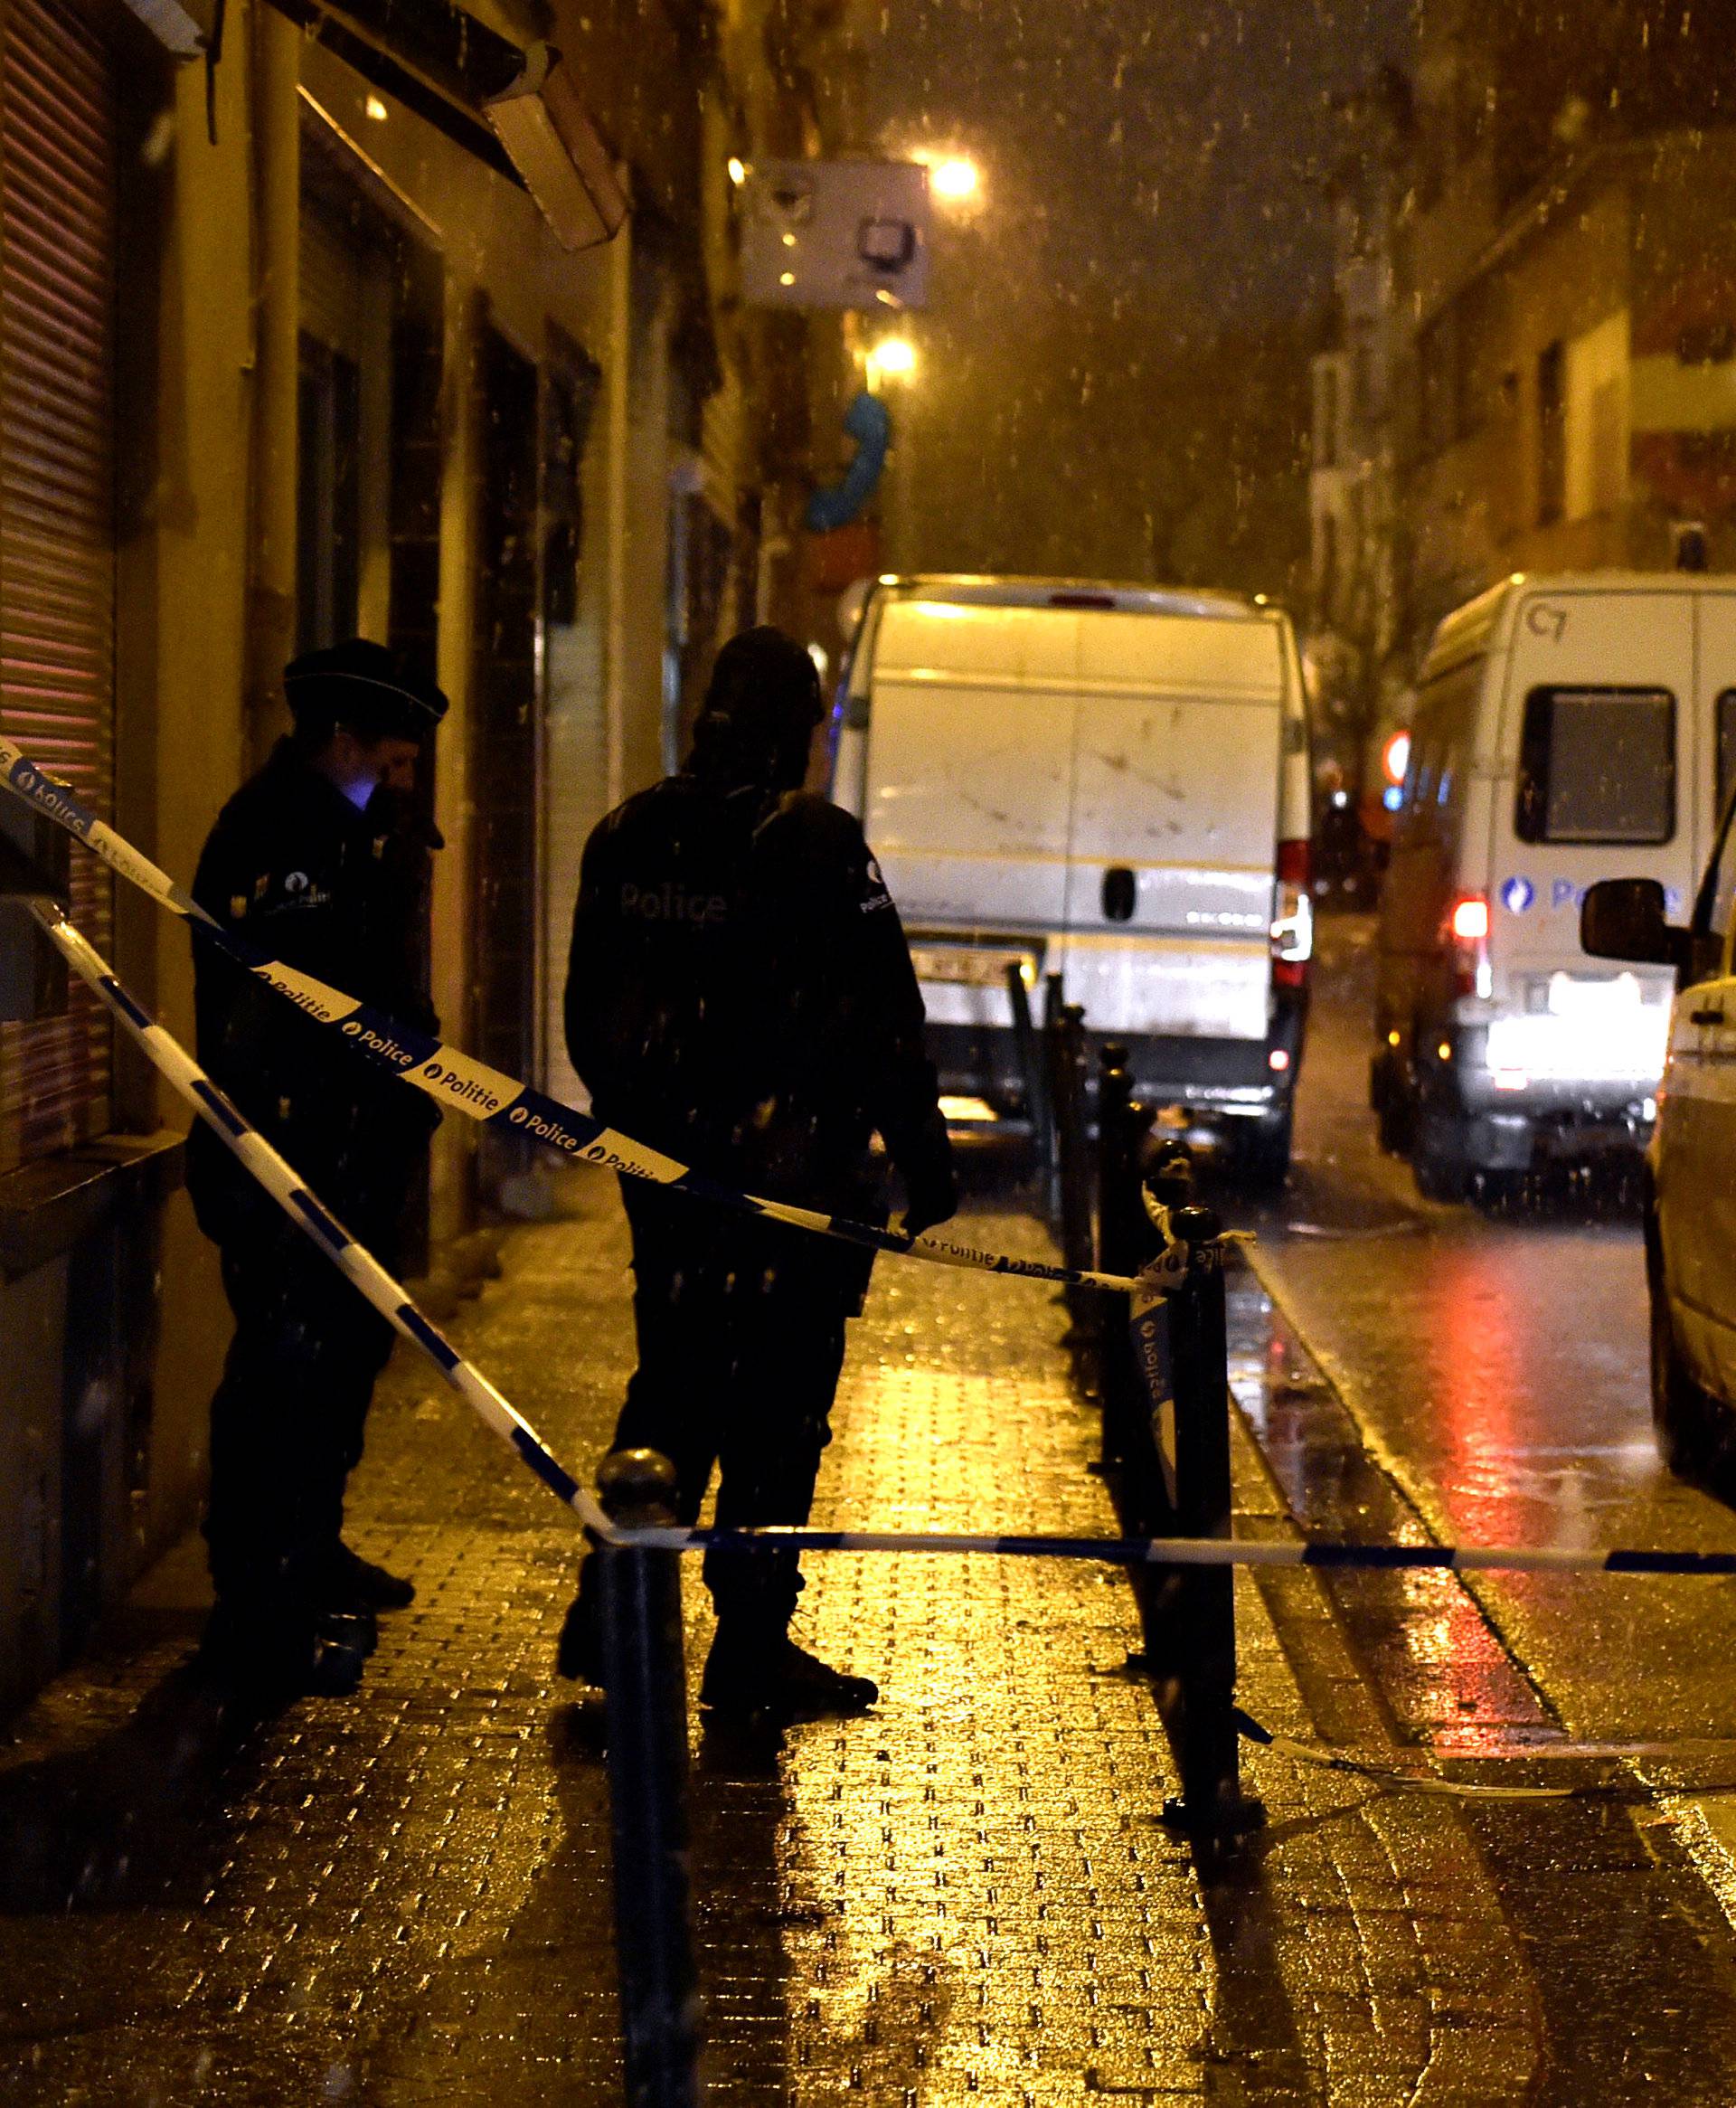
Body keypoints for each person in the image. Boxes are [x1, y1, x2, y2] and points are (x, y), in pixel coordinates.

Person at [559, 625, 957, 1720]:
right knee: (778, 1414)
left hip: (671, 1183)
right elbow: (885, 1019)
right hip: (791, 1188)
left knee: (676, 1384)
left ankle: (615, 1624)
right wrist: (922, 1157)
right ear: (799, 730)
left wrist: (650, 1130)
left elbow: (588, 1018)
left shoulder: (626, 835)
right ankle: (747, 1649)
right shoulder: (815, 843)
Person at [186, 639, 448, 1698]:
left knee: (339, 1364)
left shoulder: (361, 831)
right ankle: (256, 1602)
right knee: (280, 1373)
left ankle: (312, 1552)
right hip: (284, 1154)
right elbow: (286, 1014)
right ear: (341, 737)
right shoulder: (275, 835)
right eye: (393, 752)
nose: (406, 773)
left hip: (356, 1149)